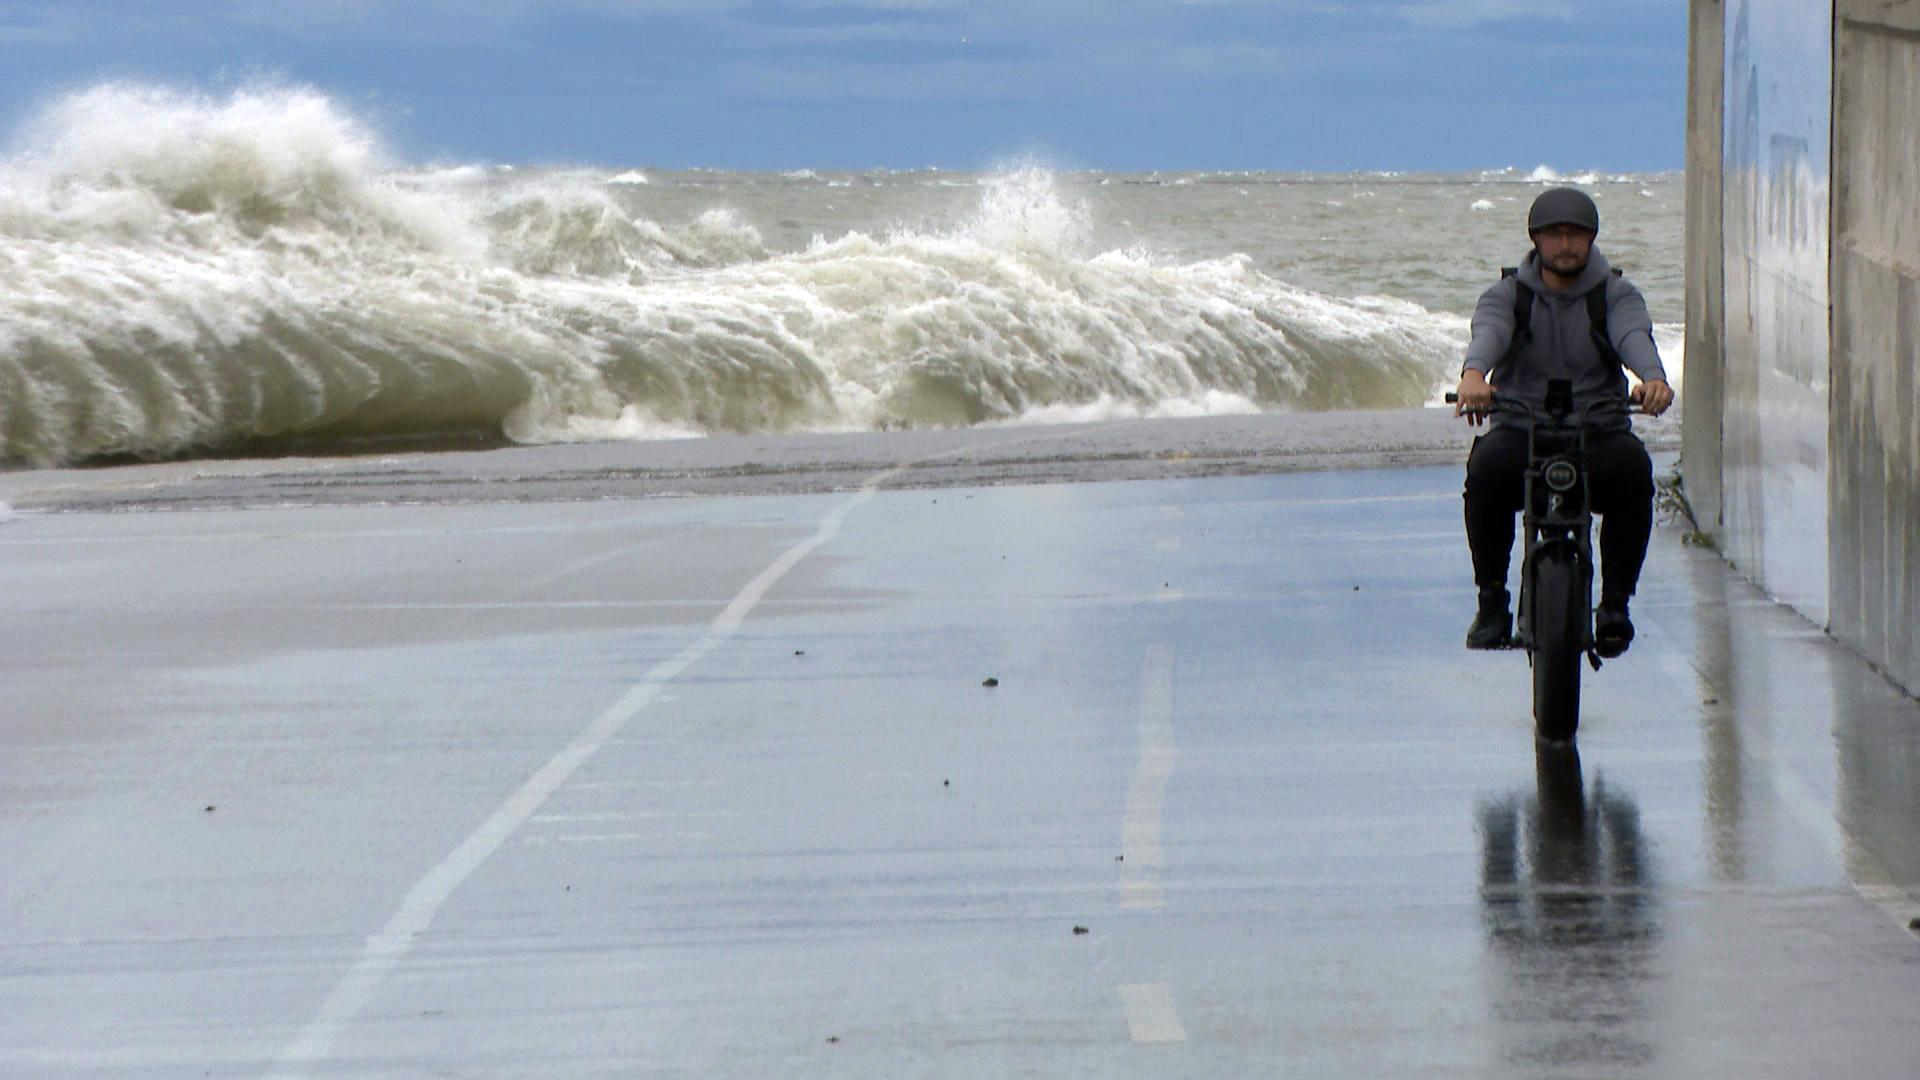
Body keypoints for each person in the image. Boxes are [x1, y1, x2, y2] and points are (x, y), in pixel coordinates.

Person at [1454, 187, 1674, 656]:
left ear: (1592, 239)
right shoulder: (1508, 294)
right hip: (1521, 427)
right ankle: (1492, 601)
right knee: (1487, 469)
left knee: (1634, 470)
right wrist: (1474, 375)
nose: (1566, 244)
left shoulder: (1615, 293)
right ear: (1536, 240)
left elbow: (1633, 335)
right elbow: (1489, 332)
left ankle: (1615, 604)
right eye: (1554, 235)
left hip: (1598, 430)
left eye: (1576, 234)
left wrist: (1652, 379)